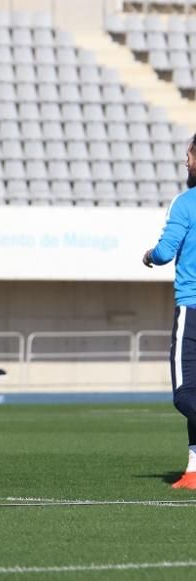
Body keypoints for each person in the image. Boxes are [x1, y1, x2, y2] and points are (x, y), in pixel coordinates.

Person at [142, 133, 196, 490]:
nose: (185, 162)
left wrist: (149, 255)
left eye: (189, 155)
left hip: (192, 309)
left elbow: (165, 251)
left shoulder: (185, 202)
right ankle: (193, 471)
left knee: (184, 392)